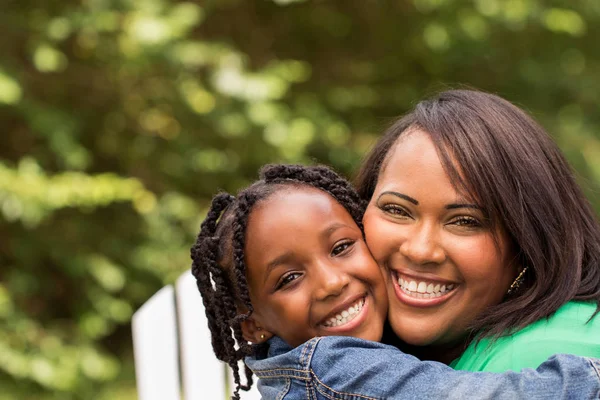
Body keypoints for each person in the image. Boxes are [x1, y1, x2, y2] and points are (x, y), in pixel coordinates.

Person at [191, 163, 600, 399]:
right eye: (290, 278)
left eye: (340, 248)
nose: (332, 282)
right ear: (252, 325)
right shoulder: (330, 366)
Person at [356, 89, 600, 370]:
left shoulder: (543, 364)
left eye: (465, 221)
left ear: (527, 244)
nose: (420, 250)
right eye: (396, 210)